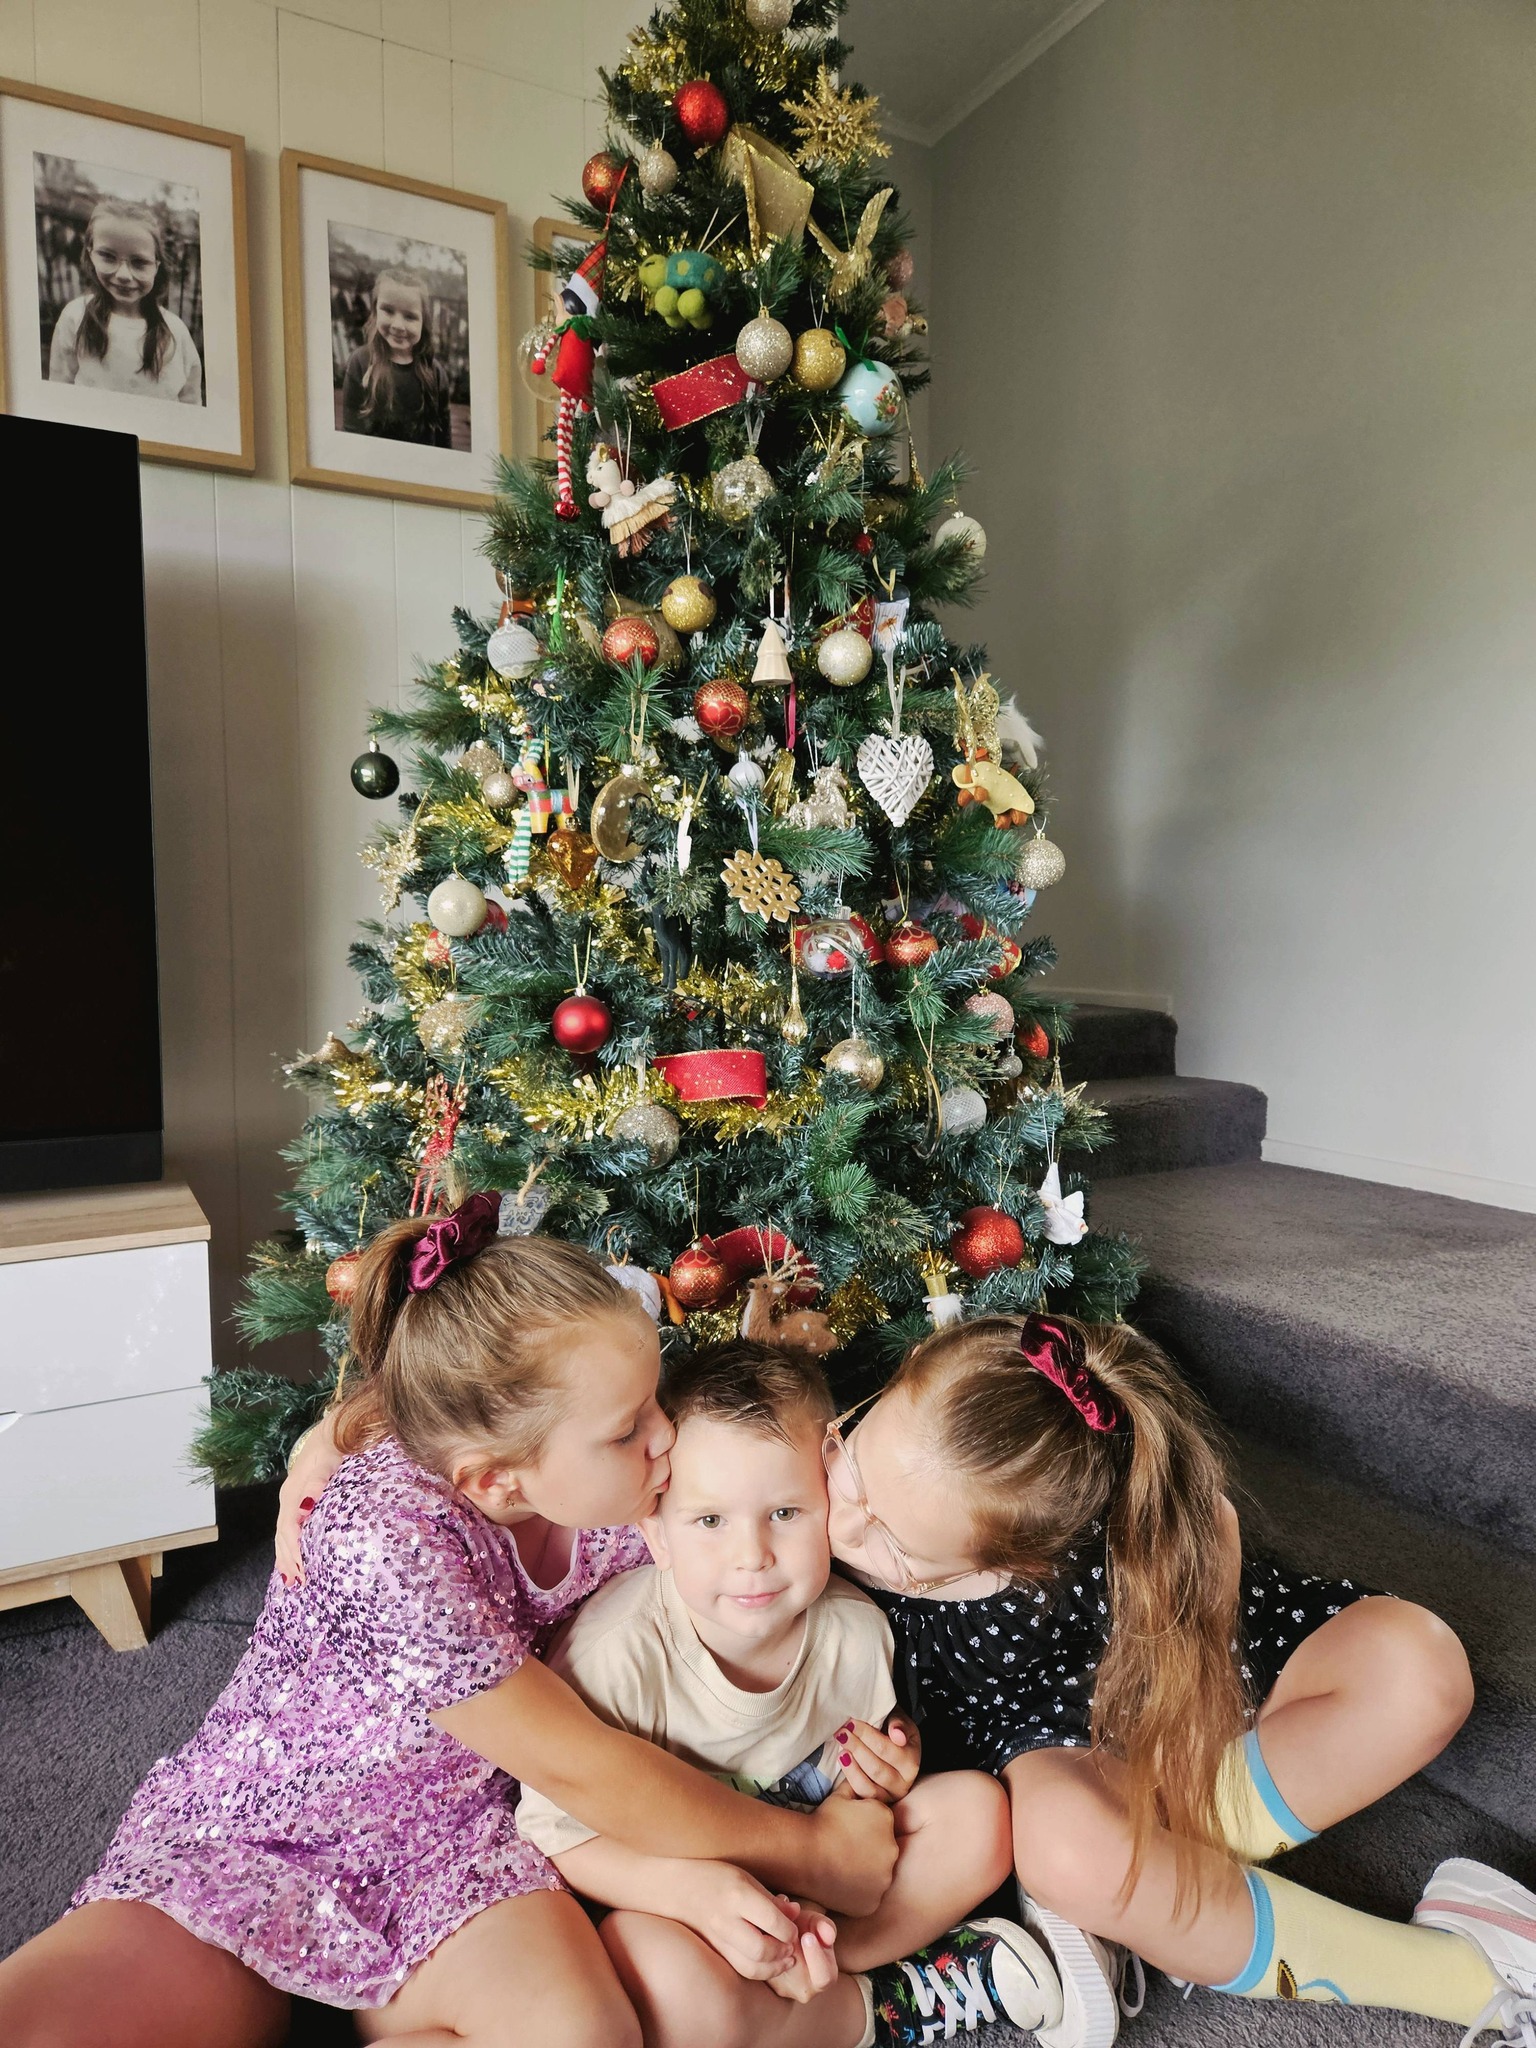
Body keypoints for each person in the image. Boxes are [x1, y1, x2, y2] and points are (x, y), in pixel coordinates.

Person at [0, 1200, 899, 2048]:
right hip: (265, 1825)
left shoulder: (632, 1479)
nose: (667, 1438)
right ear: (493, 1482)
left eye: (656, 1399)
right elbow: (578, 1764)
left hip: (462, 1845)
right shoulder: (386, 1530)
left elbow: (793, 1501)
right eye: (630, 1429)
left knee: (586, 2035)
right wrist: (812, 1852)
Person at [822, 1311, 1536, 2047]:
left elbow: (1211, 1546)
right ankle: (1469, 1977)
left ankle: (1156, 1909)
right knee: (1073, 1850)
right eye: (850, 1467)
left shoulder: (1115, 1524)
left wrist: (1199, 1692)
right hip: (1045, 1753)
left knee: (1421, 1670)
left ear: (1021, 1560)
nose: (841, 1526)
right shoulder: (813, 1488)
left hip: (1181, 1689)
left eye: (892, 1546)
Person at [518, 1338, 1085, 2048]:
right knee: (658, 1975)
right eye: (710, 1520)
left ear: (828, 1506)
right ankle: (873, 2006)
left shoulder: (854, 1629)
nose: (752, 1554)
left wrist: (888, 1771)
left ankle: (827, 1974)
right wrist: (689, 1896)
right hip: (691, 1904)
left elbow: (862, 1783)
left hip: (823, 1876)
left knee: (977, 1817)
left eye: (784, 1513)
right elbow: (559, 1839)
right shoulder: (618, 1656)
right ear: (656, 1534)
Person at [46, 198, 202, 404]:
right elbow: (59, 389)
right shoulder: (74, 316)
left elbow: (190, 402)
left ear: (156, 266)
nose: (124, 275)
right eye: (108, 256)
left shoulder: (175, 331)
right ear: (90, 254)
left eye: (139, 262)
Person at [339, 266, 451, 446]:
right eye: (388, 311)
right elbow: (351, 432)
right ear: (375, 311)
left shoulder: (436, 373)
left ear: (424, 322)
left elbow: (444, 440)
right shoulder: (359, 362)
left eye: (410, 316)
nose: (398, 325)